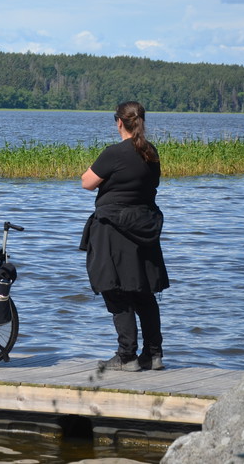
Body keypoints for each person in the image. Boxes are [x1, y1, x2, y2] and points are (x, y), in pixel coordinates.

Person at [80, 101, 169, 372]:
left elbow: (86, 182)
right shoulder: (150, 153)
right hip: (144, 228)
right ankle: (153, 354)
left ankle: (126, 355)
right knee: (143, 292)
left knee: (116, 290)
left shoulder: (114, 153)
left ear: (119, 122)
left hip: (114, 231)